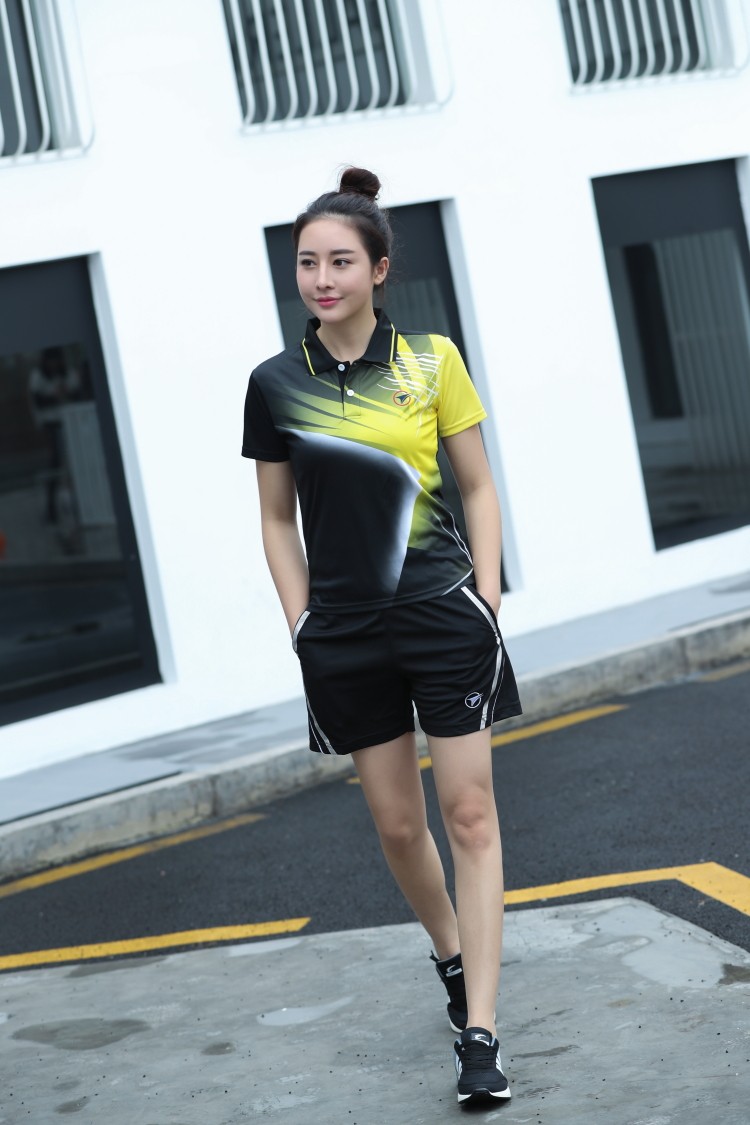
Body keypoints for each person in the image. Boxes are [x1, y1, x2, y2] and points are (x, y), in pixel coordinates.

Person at [242, 167, 522, 1106]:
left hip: (443, 614)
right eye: (307, 263)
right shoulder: (275, 383)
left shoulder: (431, 362)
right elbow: (276, 518)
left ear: (379, 269)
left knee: (469, 816)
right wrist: (302, 623)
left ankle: (480, 1034)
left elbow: (478, 485)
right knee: (399, 826)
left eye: (339, 262)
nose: (321, 278)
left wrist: (487, 594)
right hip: (347, 633)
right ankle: (451, 953)